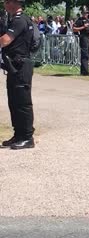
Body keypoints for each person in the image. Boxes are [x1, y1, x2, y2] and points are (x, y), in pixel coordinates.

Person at [0, 0, 36, 149]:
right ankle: (18, 134)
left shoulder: (20, 20)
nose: (4, 5)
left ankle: (27, 137)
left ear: (14, 3)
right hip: (14, 65)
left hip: (21, 65)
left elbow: (5, 40)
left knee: (23, 102)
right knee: (14, 102)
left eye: (7, 2)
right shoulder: (13, 19)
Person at [73, 6, 89, 76]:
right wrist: (83, 27)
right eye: (84, 13)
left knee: (86, 55)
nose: (85, 14)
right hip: (83, 37)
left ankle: (83, 71)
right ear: (82, 13)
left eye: (86, 13)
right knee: (84, 55)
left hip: (88, 38)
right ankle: (85, 71)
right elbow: (74, 29)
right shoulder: (79, 20)